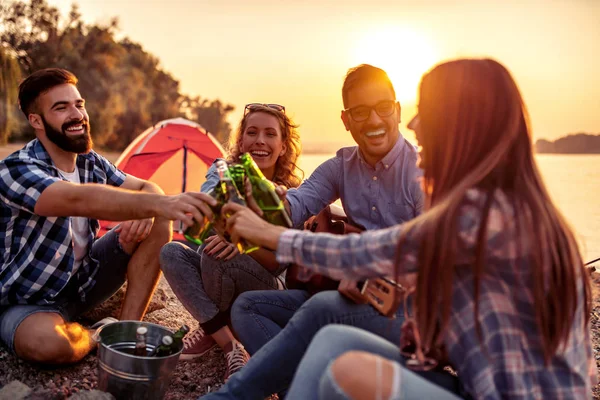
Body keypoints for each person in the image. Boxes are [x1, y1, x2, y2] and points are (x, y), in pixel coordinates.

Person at [221, 58, 595, 399]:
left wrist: (269, 234)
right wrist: (441, 340)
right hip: (462, 374)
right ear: (346, 119)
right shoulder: (514, 211)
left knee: (326, 319)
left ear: (462, 125)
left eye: (426, 111)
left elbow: (381, 251)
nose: (414, 123)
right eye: (361, 111)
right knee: (326, 336)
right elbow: (508, 336)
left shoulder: (481, 213)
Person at [204, 64, 424, 397]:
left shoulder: (423, 173)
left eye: (383, 108)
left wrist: (370, 271)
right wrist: (271, 202)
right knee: (248, 307)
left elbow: (435, 262)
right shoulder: (340, 167)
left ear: (397, 109)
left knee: (321, 308)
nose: (375, 121)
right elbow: (296, 204)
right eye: (361, 112)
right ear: (346, 121)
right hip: (349, 296)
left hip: (406, 312)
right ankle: (303, 385)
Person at [0, 68, 215, 365]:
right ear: (36, 120)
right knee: (48, 345)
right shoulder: (16, 170)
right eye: (61, 108)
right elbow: (76, 199)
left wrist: (152, 203)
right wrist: (158, 204)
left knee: (157, 218)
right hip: (27, 301)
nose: (77, 114)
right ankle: (100, 334)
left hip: (85, 281)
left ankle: (125, 333)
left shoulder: (90, 161)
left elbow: (143, 185)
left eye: (79, 104)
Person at [159, 103, 303, 379]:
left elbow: (278, 260)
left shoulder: (293, 194)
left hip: (266, 286)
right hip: (220, 272)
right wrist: (217, 214)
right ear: (241, 141)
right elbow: (208, 204)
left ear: (283, 146)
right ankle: (230, 344)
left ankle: (210, 328)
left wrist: (241, 242)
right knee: (172, 252)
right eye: (252, 132)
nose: (260, 140)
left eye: (270, 134)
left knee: (217, 253)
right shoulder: (224, 171)